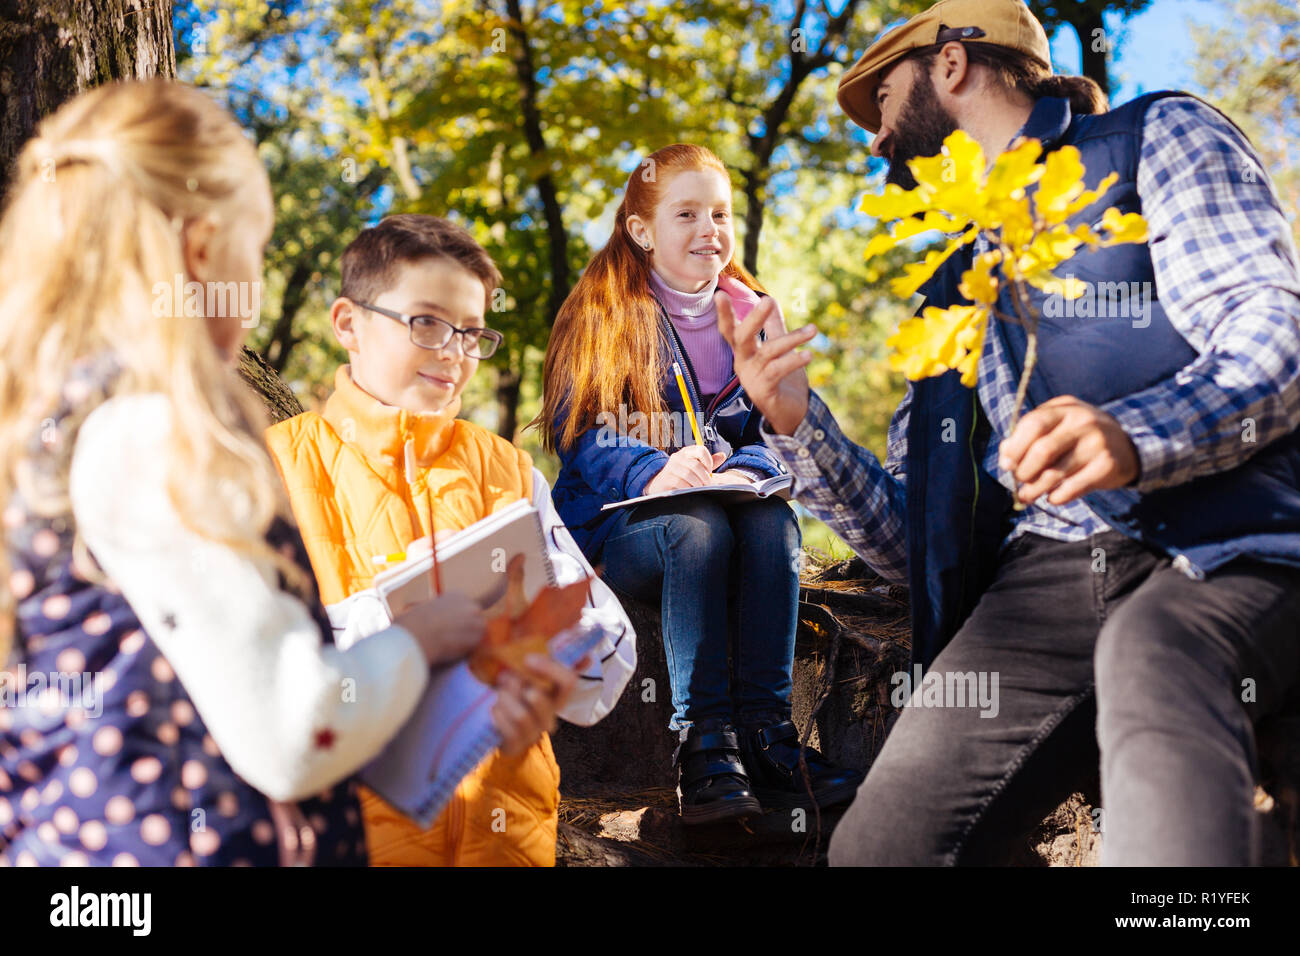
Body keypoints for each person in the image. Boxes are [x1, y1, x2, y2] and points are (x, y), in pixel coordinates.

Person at [719, 0, 1300, 865]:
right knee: (876, 852)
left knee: (1154, 651)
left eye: (882, 102)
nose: (876, 139)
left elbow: (1273, 332)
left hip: (1232, 539)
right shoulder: (949, 295)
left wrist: (1136, 436)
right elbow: (911, 535)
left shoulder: (1159, 136)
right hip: (1046, 589)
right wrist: (798, 422)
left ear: (949, 66)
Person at [0, 81, 569, 867]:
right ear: (202, 250)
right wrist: (414, 640)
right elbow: (293, 730)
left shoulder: (56, 422)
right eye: (255, 252)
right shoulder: (149, 432)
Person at [265, 214, 636, 865]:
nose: (456, 353)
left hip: (509, 838)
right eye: (428, 323)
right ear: (348, 324)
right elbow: (257, 672)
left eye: (472, 333)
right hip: (352, 838)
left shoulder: (508, 468)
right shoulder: (274, 469)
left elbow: (609, 638)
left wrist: (556, 670)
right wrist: (400, 624)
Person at [536, 144, 862, 825]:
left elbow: (775, 432)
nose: (707, 229)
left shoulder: (750, 314)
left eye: (720, 213)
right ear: (642, 231)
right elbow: (578, 433)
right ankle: (705, 746)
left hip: (729, 510)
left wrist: (752, 470)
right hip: (626, 530)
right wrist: (654, 469)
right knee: (695, 529)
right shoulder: (603, 312)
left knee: (774, 524)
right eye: (685, 213)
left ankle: (771, 738)